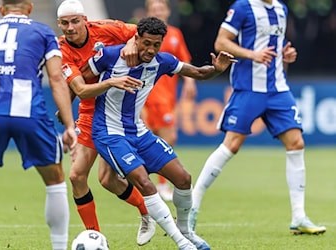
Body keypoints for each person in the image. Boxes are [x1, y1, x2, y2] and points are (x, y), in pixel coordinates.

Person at [85, 16, 235, 250]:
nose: (150, 49)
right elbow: (80, 79)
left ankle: (186, 231)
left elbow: (198, 73)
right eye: (146, 43)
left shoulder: (162, 62)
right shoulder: (111, 56)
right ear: (136, 39)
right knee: (145, 183)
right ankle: (182, 243)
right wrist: (68, 109)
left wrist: (216, 70)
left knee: (184, 179)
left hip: (138, 132)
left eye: (156, 44)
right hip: (109, 132)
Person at [189, 0, 326, 236]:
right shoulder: (243, 7)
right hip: (248, 88)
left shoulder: (281, 9)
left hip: (278, 88)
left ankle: (299, 216)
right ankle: (192, 205)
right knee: (232, 145)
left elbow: (276, 49)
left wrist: (286, 57)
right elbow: (221, 42)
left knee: (296, 143)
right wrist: (252, 54)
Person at [0, 1, 77, 250]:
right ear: (30, 8)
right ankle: (59, 247)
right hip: (29, 114)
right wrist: (69, 126)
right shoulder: (43, 32)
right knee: (55, 180)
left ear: (1, 9)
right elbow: (56, 78)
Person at [56, 0, 156, 246]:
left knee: (107, 179)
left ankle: (147, 212)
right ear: (59, 25)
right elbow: (81, 90)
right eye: (65, 23)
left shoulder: (107, 28)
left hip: (118, 110)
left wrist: (133, 43)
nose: (70, 28)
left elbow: (140, 33)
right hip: (90, 112)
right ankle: (95, 236)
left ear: (85, 20)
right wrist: (111, 82)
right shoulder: (61, 51)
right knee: (78, 176)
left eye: (75, 21)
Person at [143, 0, 197, 202]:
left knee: (156, 139)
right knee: (168, 137)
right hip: (150, 94)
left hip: (168, 94)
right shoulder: (143, 36)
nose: (158, 12)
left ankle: (144, 181)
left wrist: (190, 82)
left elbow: (184, 62)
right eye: (154, 9)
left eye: (161, 9)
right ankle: (162, 185)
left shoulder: (175, 34)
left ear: (167, 11)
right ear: (148, 13)